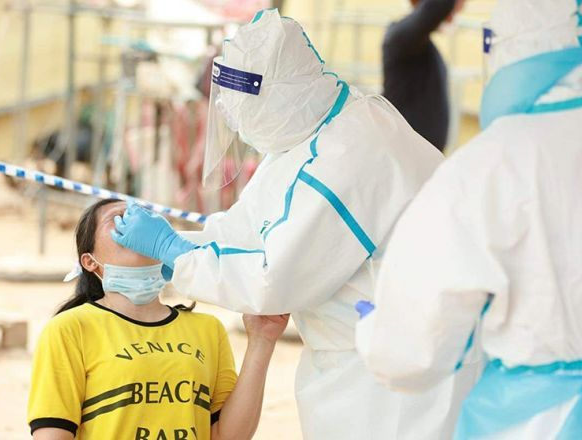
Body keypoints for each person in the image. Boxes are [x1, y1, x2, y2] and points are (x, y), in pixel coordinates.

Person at [111, 8, 470, 440]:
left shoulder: (346, 156)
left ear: (276, 101)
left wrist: (174, 257)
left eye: (246, 115)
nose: (241, 129)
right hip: (366, 355)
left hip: (397, 373)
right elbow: (247, 228)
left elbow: (273, 278)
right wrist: (172, 247)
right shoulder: (314, 126)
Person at [356, 0, 582, 438]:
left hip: (533, 423)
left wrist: (373, 325)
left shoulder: (486, 166)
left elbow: (410, 355)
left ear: (504, 51)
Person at [28, 198, 289, 440]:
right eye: (118, 217)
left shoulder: (208, 329)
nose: (134, 223)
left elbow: (226, 435)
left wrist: (261, 341)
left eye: (140, 215)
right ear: (90, 261)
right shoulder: (70, 329)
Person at [382, 0, 464, 150]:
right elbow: (437, 8)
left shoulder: (422, 46)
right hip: (406, 153)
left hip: (422, 156)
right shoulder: (400, 38)